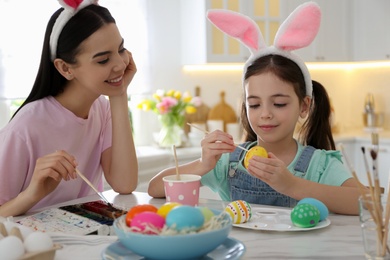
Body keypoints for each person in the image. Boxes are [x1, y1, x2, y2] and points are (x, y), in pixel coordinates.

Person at [148, 2, 361, 215]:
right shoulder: (227, 163)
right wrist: (203, 164)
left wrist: (292, 185)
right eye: (255, 104)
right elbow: (155, 188)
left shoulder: (318, 165)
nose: (265, 113)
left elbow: (370, 203)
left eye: (279, 103)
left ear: (304, 106)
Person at [0, 0, 138, 217]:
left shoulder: (101, 108)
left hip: (85, 238)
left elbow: (125, 183)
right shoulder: (26, 126)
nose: (121, 64)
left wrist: (119, 94)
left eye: (120, 49)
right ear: (65, 68)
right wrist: (32, 194)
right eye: (103, 60)